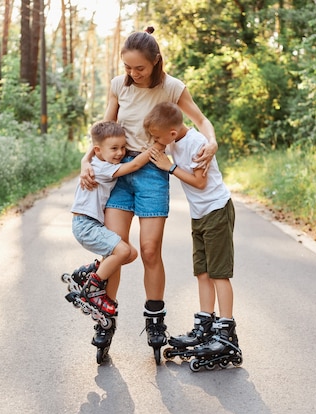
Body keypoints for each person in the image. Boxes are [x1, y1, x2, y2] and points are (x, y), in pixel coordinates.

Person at [79, 26, 219, 359]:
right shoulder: (118, 86)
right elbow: (103, 132)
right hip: (120, 173)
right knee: (114, 249)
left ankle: (155, 319)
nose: (132, 73)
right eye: (128, 67)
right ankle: (104, 319)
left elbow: (201, 120)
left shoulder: (172, 87)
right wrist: (87, 160)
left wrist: (211, 143)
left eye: (139, 68)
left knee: (150, 250)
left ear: (155, 62)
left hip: (154, 172)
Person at [145, 102, 241, 365]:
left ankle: (225, 332)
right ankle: (205, 325)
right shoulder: (173, 141)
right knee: (202, 271)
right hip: (199, 214)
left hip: (216, 210)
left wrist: (170, 167)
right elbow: (158, 146)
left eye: (157, 137)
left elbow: (200, 181)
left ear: (173, 133)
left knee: (219, 273)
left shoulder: (197, 143)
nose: (156, 142)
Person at [67, 121, 164, 338]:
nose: (120, 153)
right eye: (114, 148)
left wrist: (86, 158)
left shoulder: (94, 160)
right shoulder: (101, 167)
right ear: (99, 150)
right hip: (86, 225)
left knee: (130, 253)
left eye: (123, 147)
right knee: (121, 252)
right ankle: (91, 291)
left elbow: (93, 152)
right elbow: (134, 166)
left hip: (88, 224)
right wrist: (155, 147)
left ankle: (88, 272)